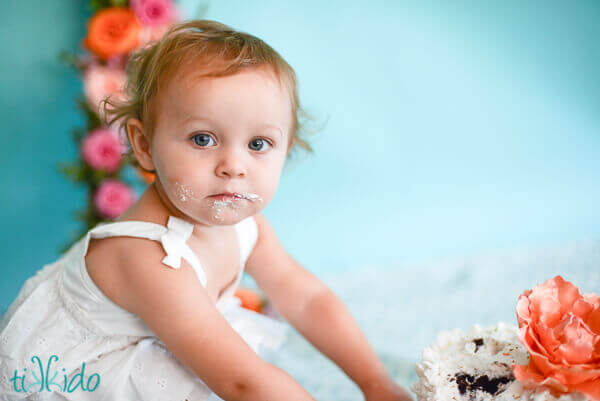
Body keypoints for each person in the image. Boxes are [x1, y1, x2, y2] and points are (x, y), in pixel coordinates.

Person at [0, 20, 413, 401]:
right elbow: (243, 382)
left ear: (286, 150)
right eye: (202, 139)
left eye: (258, 145)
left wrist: (375, 383)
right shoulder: (150, 257)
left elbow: (306, 300)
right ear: (144, 145)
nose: (233, 166)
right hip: (73, 376)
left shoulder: (247, 225)